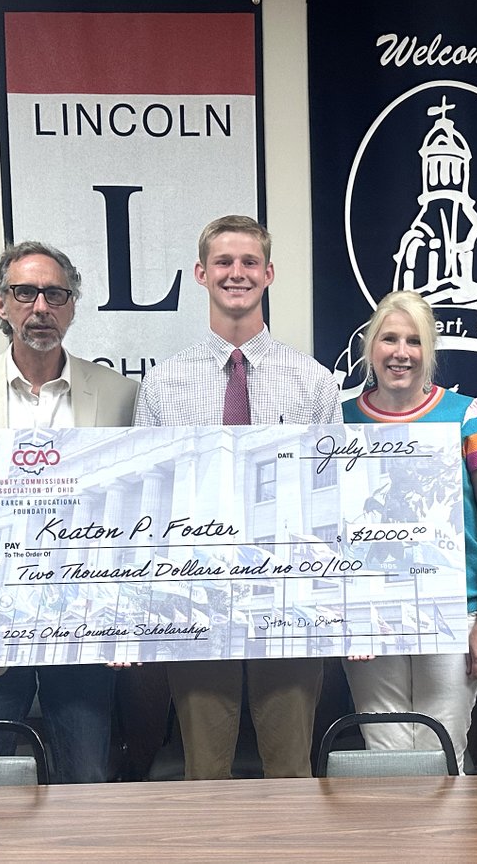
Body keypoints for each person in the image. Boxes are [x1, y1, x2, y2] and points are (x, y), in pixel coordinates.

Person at [0, 241, 138, 783]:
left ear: (72, 305)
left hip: (86, 626)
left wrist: (128, 616)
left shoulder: (119, 395)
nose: (41, 306)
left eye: (55, 293)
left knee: (86, 784)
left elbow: (134, 514)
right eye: (24, 292)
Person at [134, 215, 342, 780]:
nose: (237, 273)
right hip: (197, 601)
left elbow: (335, 502)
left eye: (250, 262)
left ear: (269, 273)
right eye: (223, 262)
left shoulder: (315, 382)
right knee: (204, 773)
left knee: (292, 771)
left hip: (290, 601)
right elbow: (148, 508)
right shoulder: (162, 383)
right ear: (201, 273)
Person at [341, 291, 477, 770]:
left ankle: (447, 849)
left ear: (430, 351)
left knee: (442, 751)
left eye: (415, 341)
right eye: (390, 339)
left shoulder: (469, 415)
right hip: (369, 615)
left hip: (453, 610)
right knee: (385, 753)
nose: (402, 352)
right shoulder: (336, 419)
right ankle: (396, 848)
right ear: (369, 346)